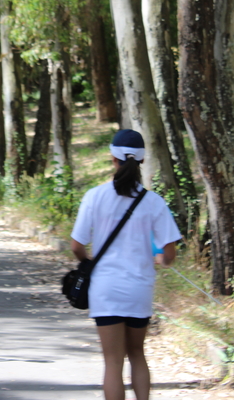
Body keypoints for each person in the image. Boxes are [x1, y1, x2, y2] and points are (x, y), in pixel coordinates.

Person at [70, 129, 181, 400]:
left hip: (105, 289)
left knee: (113, 362)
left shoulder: (94, 196)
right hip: (139, 288)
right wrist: (161, 261)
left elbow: (76, 246)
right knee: (137, 355)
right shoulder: (154, 202)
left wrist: (89, 262)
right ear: (142, 161)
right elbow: (169, 251)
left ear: (112, 158)